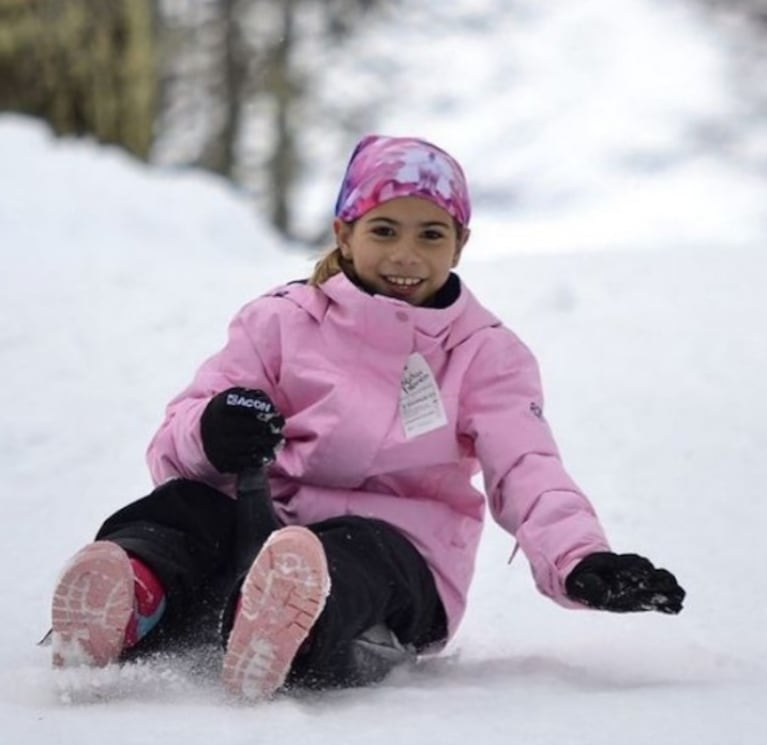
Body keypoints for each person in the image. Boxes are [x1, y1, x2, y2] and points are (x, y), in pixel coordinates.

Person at [50, 134, 685, 700]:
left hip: (399, 558)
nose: (406, 254)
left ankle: (288, 631)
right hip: (261, 526)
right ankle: (130, 591)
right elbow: (172, 448)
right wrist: (212, 432)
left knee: (358, 551)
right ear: (345, 233)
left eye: (430, 234)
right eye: (385, 230)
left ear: (460, 243)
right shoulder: (279, 322)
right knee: (185, 507)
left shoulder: (485, 354)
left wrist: (578, 560)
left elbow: (526, 467)